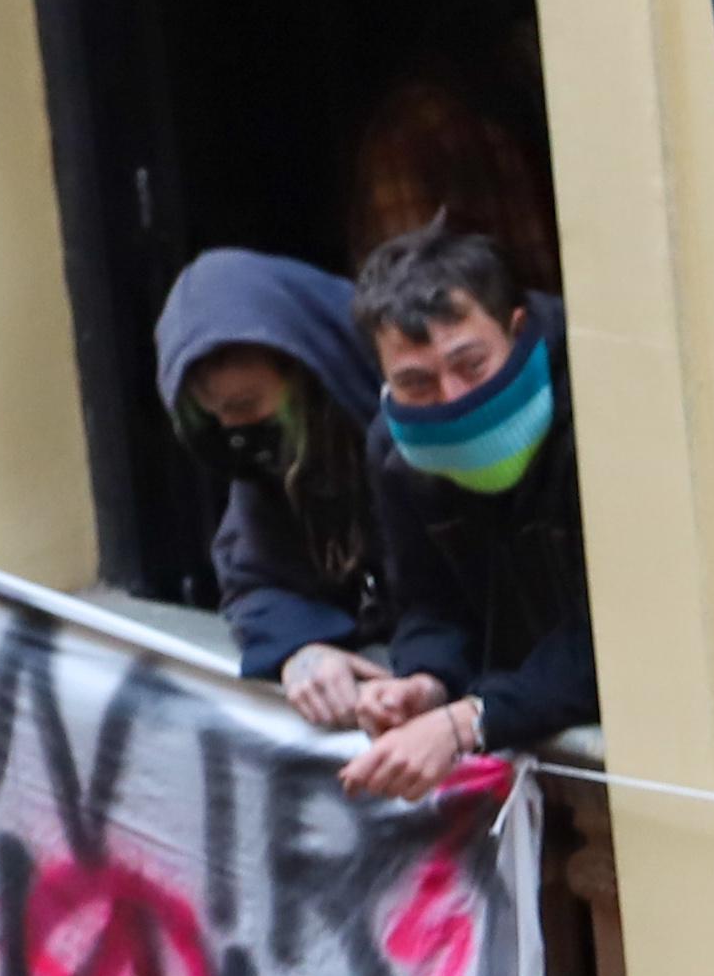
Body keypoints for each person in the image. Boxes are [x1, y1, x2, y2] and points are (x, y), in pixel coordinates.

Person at [339, 220, 593, 801]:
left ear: (516, 329)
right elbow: (428, 601)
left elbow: (620, 631)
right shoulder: (395, 450)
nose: (454, 399)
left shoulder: (594, 408)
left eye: (472, 365)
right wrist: (425, 683)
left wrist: (467, 722)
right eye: (417, 383)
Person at [151, 250, 391, 728]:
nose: (233, 427)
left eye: (246, 404)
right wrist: (303, 650)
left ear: (305, 371)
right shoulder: (274, 463)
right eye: (213, 413)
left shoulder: (405, 417)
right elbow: (255, 579)